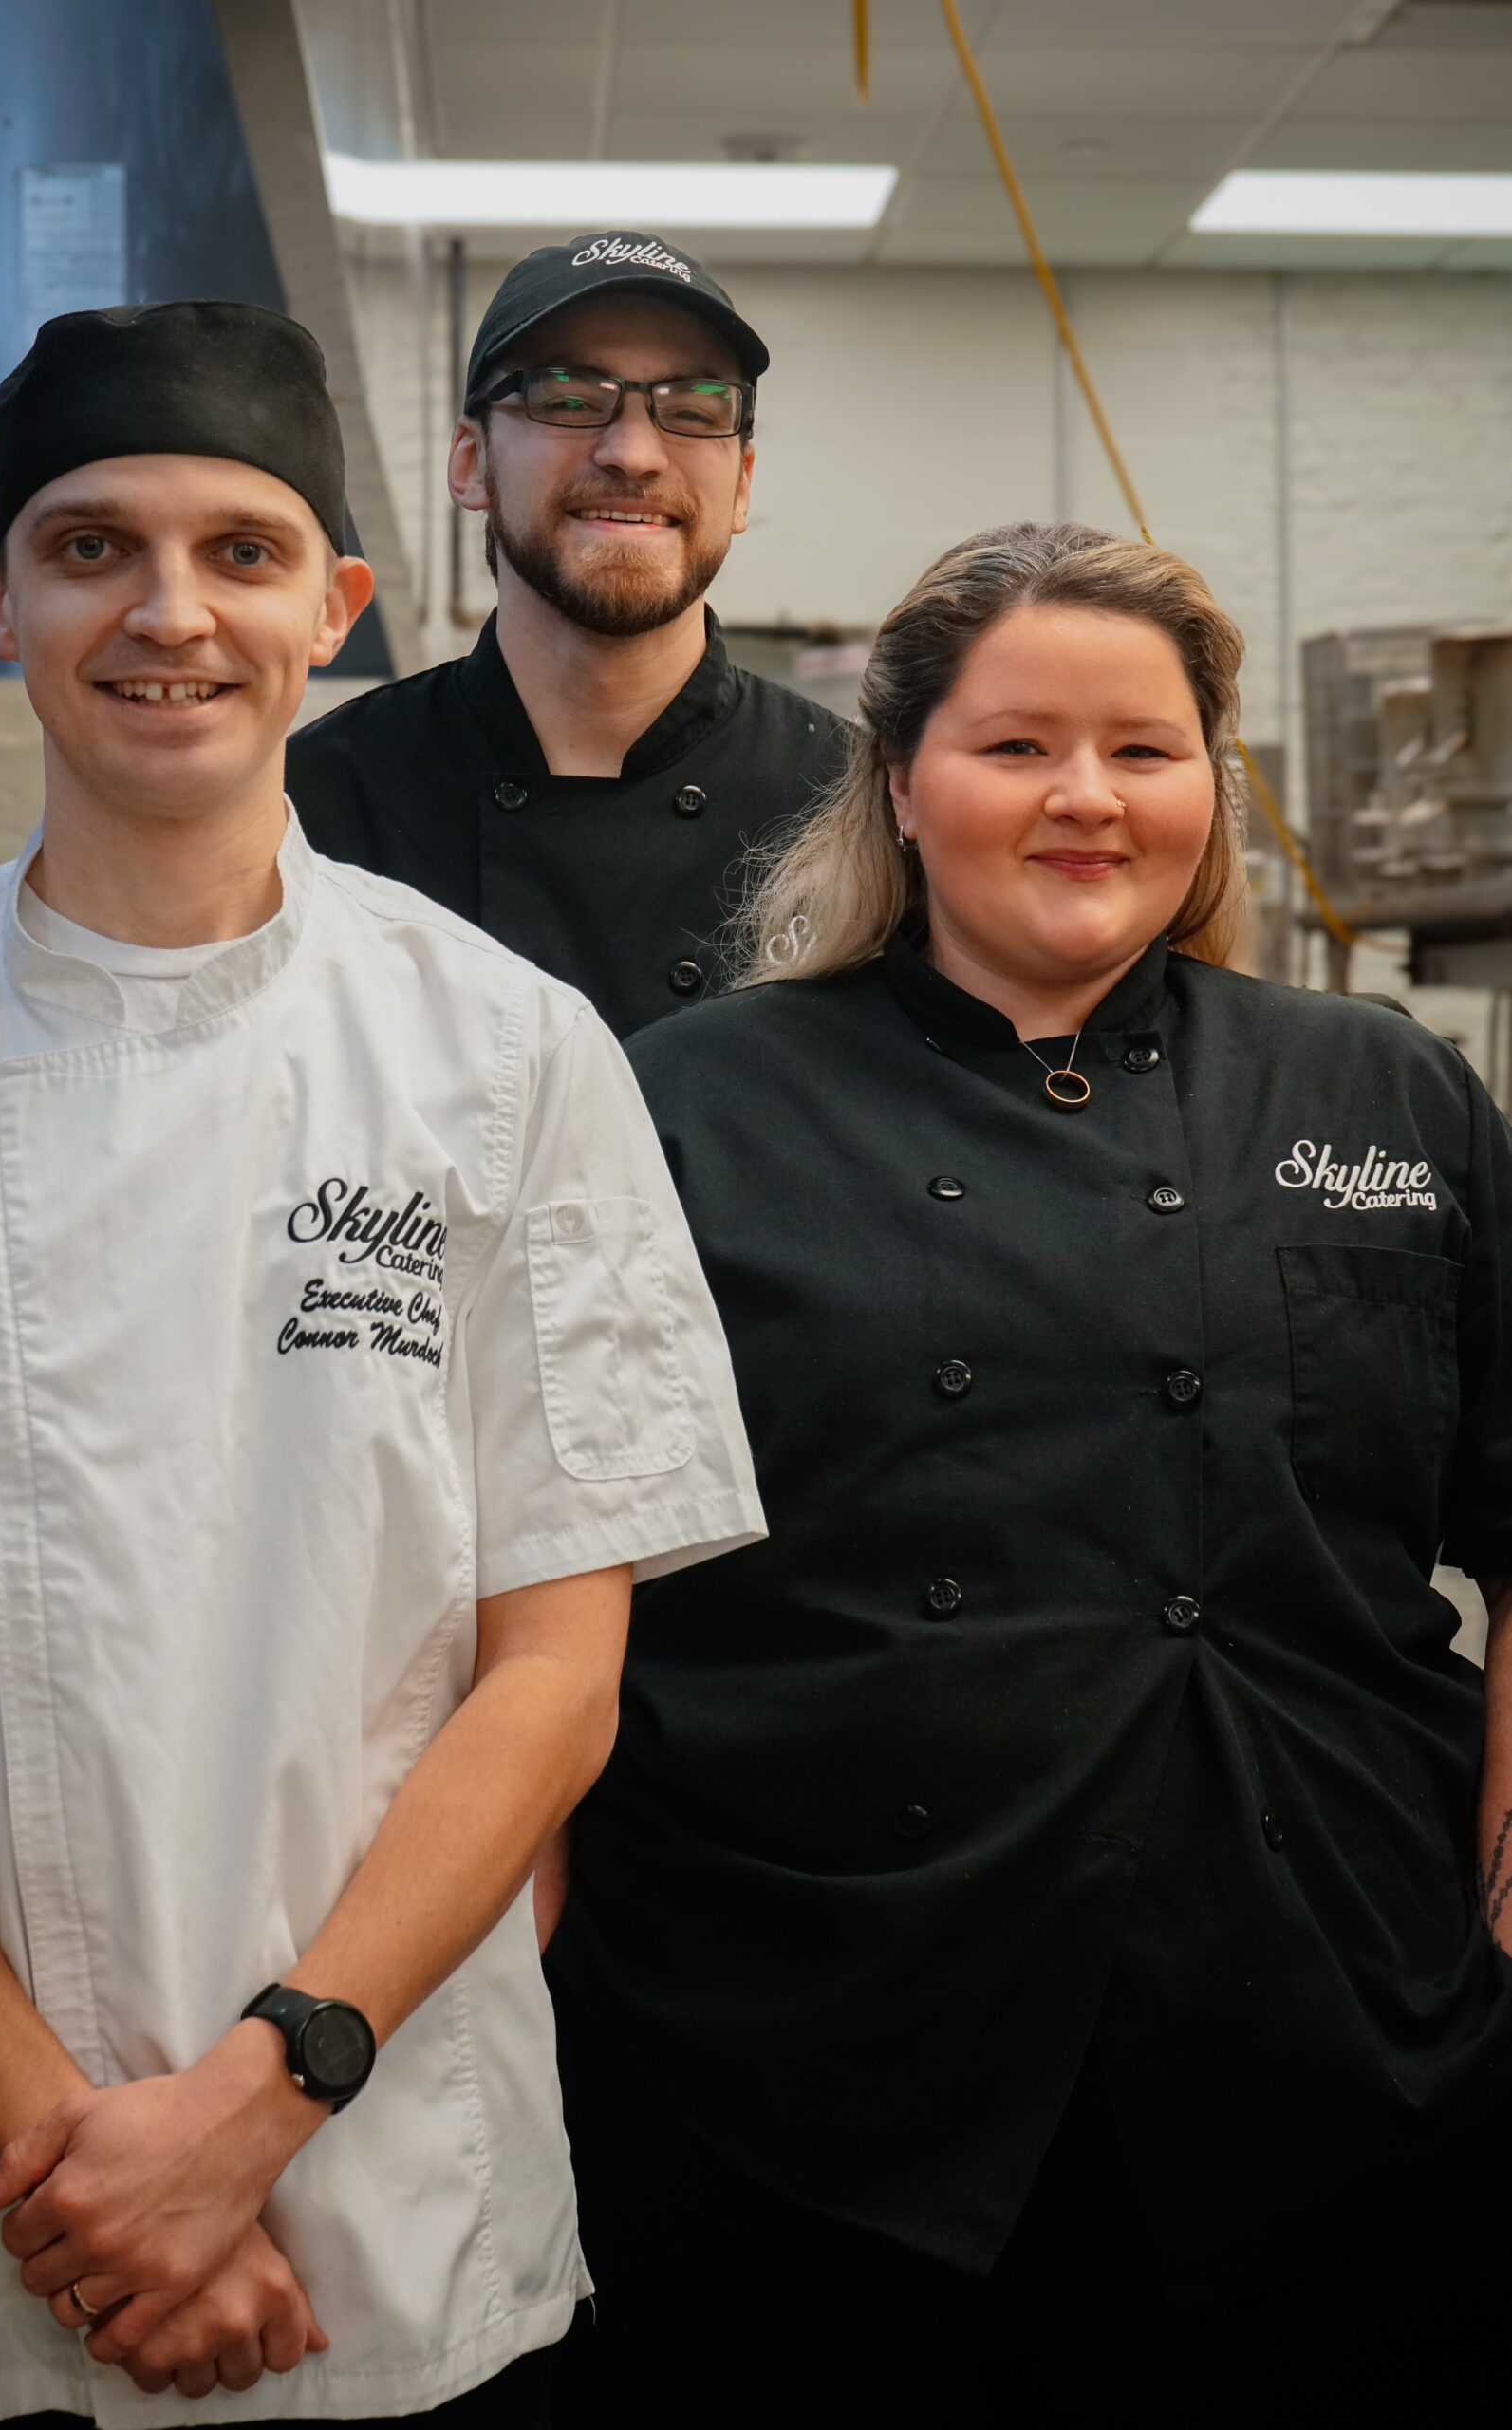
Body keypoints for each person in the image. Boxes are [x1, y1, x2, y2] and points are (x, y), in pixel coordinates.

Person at [0, 300, 762, 2426]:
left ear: (333, 609)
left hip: (375, 2195)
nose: (167, 612)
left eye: (239, 552)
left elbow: (555, 1676)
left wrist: (254, 2107)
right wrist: (100, 2175)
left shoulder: (507, 1053)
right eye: (90, 547)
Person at [546, 521, 1512, 2423]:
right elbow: (541, 1584)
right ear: (901, 781)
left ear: (1208, 784)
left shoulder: (1379, 1089)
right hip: (808, 2047)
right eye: (1015, 747)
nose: (1087, 796)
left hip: (1331, 2024)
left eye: (1143, 749)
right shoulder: (688, 1102)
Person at [287, 232, 850, 1038]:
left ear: (742, 487)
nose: (634, 454)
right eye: (570, 401)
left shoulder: (854, 809)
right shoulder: (312, 809)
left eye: (693, 412)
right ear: (470, 461)